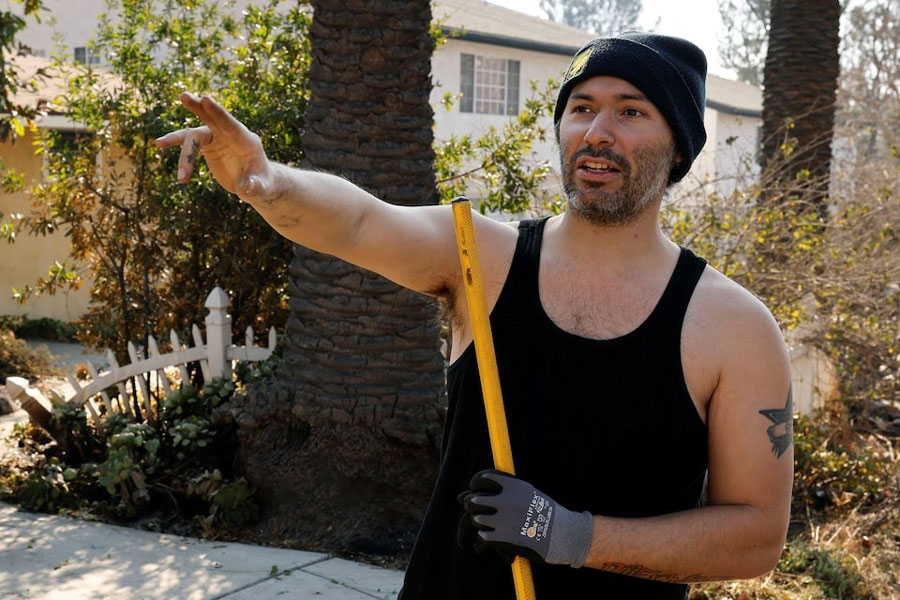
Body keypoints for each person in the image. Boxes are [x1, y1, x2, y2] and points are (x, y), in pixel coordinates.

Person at [156, 31, 793, 600]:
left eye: (631, 111)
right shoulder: (480, 255)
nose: (598, 131)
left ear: (678, 147)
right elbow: (357, 222)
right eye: (580, 108)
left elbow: (757, 537)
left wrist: (570, 536)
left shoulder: (733, 327)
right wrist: (268, 181)